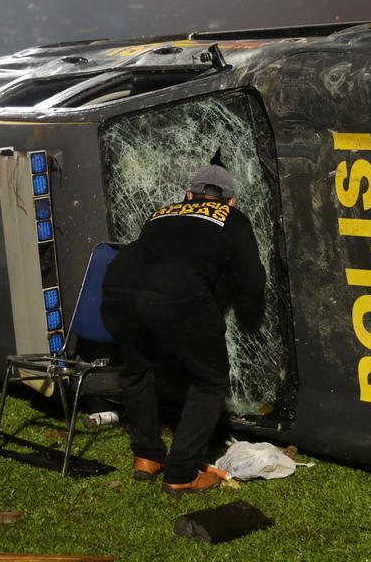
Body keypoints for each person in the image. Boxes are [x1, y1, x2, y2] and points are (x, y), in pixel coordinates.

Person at [100, 163, 266, 495]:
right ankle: (182, 472)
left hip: (116, 287)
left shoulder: (161, 213)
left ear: (188, 196)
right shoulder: (233, 219)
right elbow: (253, 284)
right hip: (174, 296)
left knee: (136, 371)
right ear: (231, 202)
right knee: (209, 380)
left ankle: (147, 457)